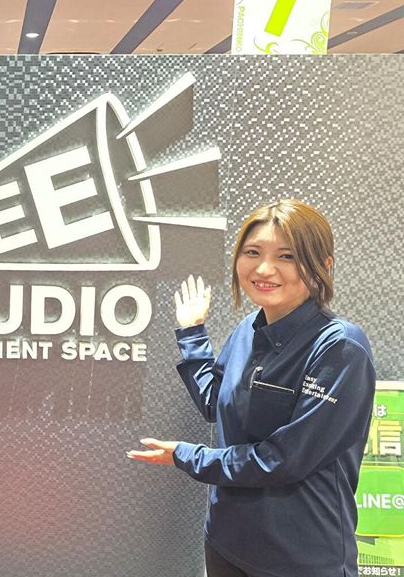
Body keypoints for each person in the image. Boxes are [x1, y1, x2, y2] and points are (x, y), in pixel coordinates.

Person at [127, 200, 375, 577]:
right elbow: (216, 402)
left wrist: (189, 456)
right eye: (253, 252)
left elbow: (283, 460)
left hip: (299, 558)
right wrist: (192, 334)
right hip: (226, 543)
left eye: (287, 256)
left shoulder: (339, 348)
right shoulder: (248, 329)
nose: (263, 269)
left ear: (323, 265)